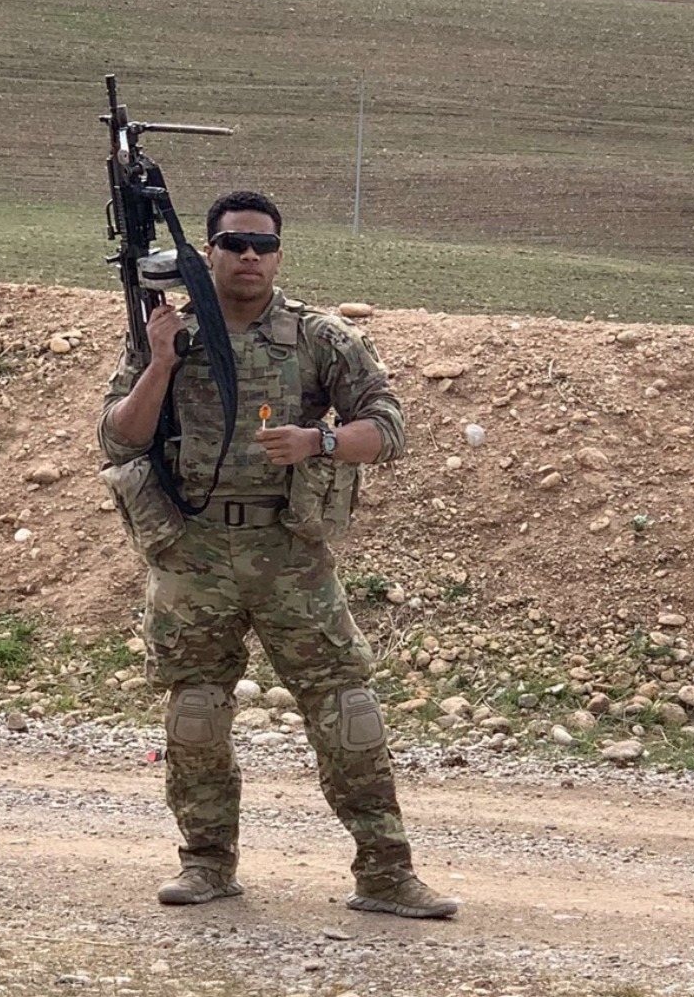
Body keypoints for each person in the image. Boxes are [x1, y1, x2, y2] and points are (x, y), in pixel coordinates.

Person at [98, 190, 457, 920]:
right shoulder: (169, 335)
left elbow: (387, 428)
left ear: (279, 254)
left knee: (346, 708)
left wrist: (318, 441)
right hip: (192, 554)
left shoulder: (318, 337)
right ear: (209, 253)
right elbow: (118, 438)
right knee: (195, 712)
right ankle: (206, 865)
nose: (250, 256)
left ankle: (385, 873)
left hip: (288, 550)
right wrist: (160, 363)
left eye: (263, 244)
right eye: (234, 243)